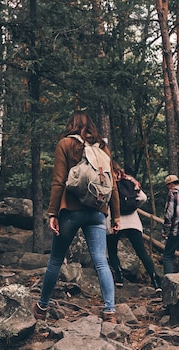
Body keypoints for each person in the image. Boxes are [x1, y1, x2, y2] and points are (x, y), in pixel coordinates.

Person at [33, 110, 120, 324]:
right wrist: (115, 216)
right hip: (97, 212)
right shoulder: (102, 147)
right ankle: (110, 311)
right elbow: (113, 186)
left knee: (55, 260)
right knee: (101, 261)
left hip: (71, 211)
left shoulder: (65, 144)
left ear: (71, 124)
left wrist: (53, 213)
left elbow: (59, 182)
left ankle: (42, 307)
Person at [106, 162, 163, 292]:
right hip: (132, 222)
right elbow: (143, 197)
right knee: (141, 252)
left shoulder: (108, 183)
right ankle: (155, 280)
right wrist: (133, 206)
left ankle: (119, 276)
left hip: (114, 221)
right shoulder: (130, 181)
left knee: (112, 250)